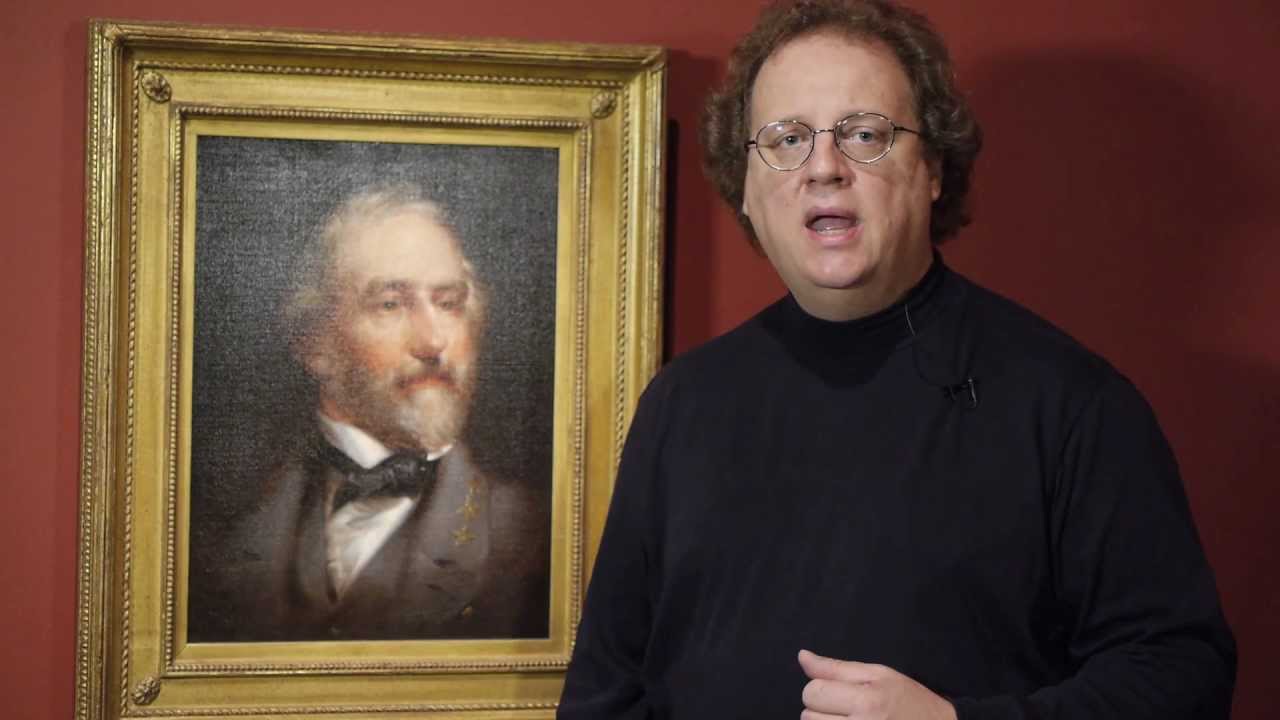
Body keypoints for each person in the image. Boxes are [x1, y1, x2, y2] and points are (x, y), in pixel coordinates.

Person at [558, 0, 1235, 718]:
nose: (824, 167)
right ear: (746, 188)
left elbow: (1181, 676)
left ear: (933, 167)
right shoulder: (680, 405)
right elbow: (603, 695)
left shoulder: (1071, 403)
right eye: (786, 139)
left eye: (864, 134)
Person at [202, 184, 549, 641]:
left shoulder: (530, 535)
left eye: (448, 304)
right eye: (390, 304)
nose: (431, 343)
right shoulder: (224, 531)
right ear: (314, 343)